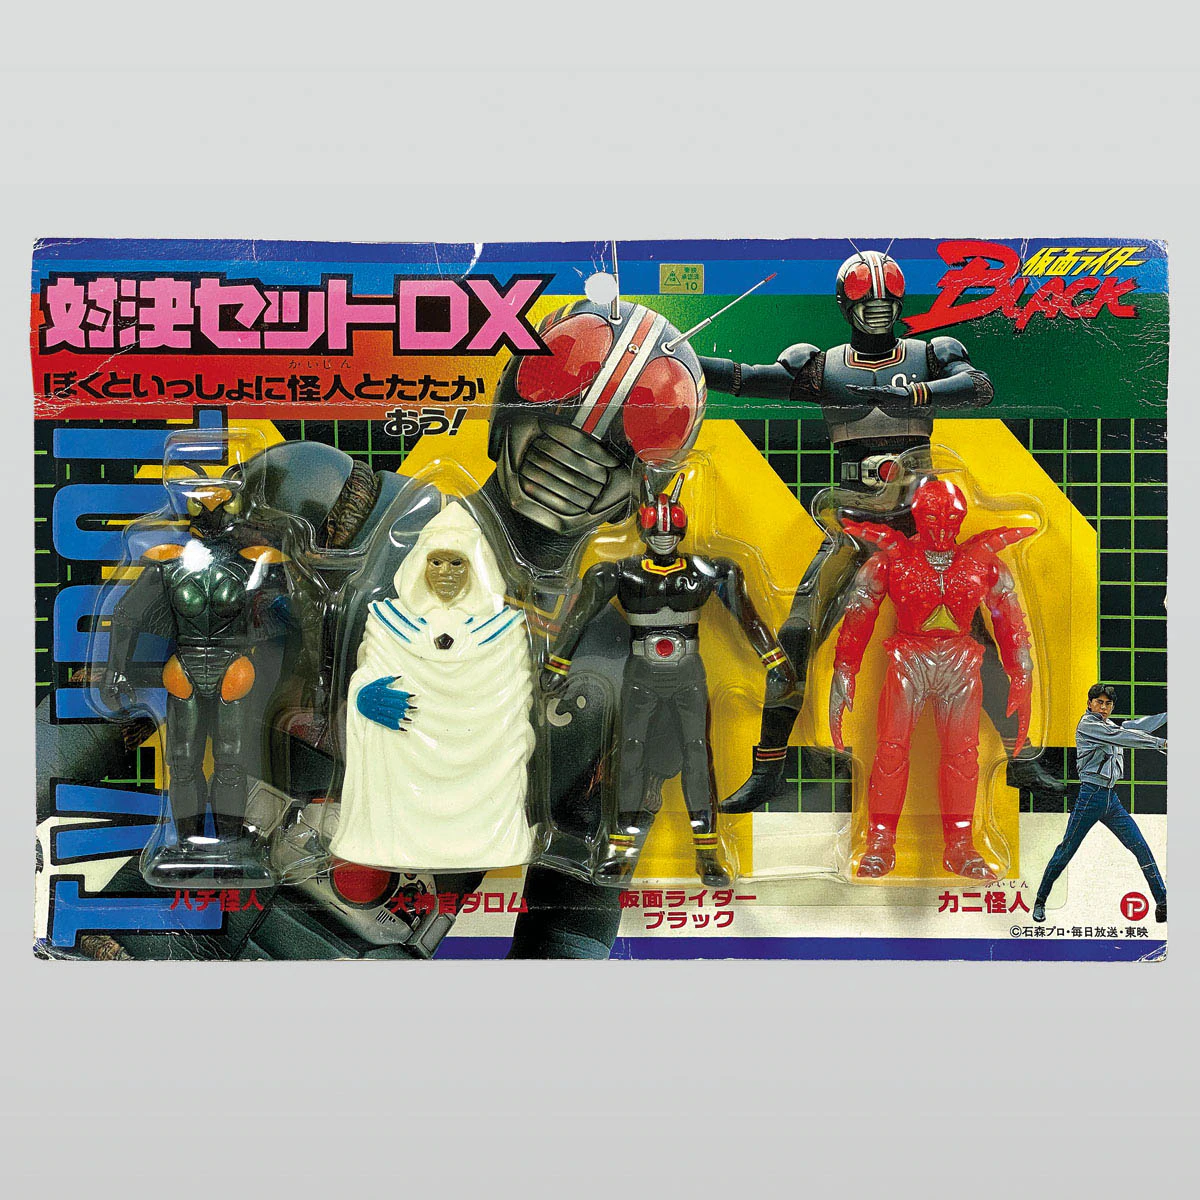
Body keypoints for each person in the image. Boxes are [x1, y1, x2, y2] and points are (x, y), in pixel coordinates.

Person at [1032, 684, 1166, 923]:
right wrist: (1161, 744)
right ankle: (1040, 901)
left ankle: (1163, 903)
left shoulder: (1110, 725)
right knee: (1066, 850)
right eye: (1099, 702)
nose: (1103, 707)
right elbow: (1123, 736)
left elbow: (1137, 726)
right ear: (1090, 703)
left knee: (1140, 847)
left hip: (1111, 800)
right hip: (1090, 797)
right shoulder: (1089, 725)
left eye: (1108, 704)